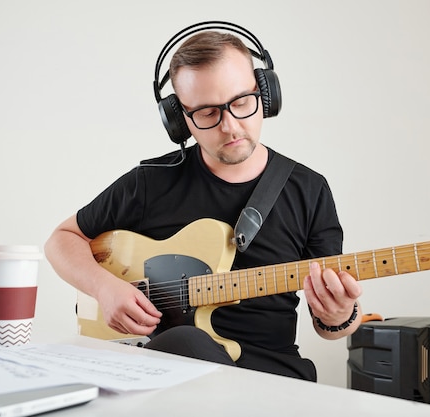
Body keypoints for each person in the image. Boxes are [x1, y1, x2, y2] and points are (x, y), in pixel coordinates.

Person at [45, 23, 362, 382]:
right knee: (185, 341)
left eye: (242, 102)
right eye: (208, 113)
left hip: (273, 379)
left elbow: (331, 329)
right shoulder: (150, 183)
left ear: (266, 96)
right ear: (180, 120)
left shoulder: (309, 189)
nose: (229, 126)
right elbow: (61, 240)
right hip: (172, 378)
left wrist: (339, 315)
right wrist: (105, 288)